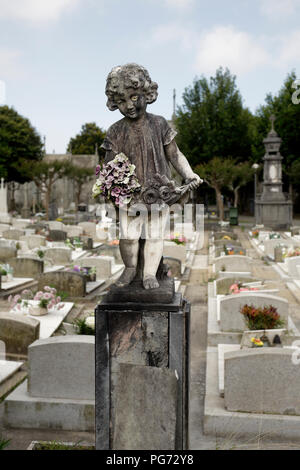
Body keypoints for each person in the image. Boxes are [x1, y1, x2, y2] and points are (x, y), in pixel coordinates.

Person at [102, 63, 202, 290]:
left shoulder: (159, 124)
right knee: (128, 236)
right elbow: (108, 165)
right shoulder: (115, 130)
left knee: (156, 236)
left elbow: (175, 155)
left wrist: (189, 173)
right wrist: (111, 187)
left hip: (159, 191)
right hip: (129, 194)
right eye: (121, 101)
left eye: (135, 97)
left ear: (148, 93)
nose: (129, 105)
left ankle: (149, 274)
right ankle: (129, 269)